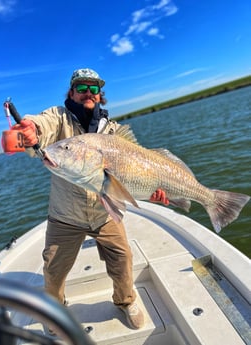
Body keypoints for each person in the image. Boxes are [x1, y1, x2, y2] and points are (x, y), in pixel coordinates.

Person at [12, 68, 168, 332]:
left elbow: (134, 171)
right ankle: (57, 311)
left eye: (94, 89)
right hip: (65, 215)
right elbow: (40, 126)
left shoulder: (113, 131)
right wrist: (31, 130)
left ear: (100, 95)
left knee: (122, 258)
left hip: (104, 212)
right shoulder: (59, 118)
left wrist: (152, 188)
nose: (88, 93)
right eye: (81, 87)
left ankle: (125, 301)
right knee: (52, 272)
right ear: (71, 92)